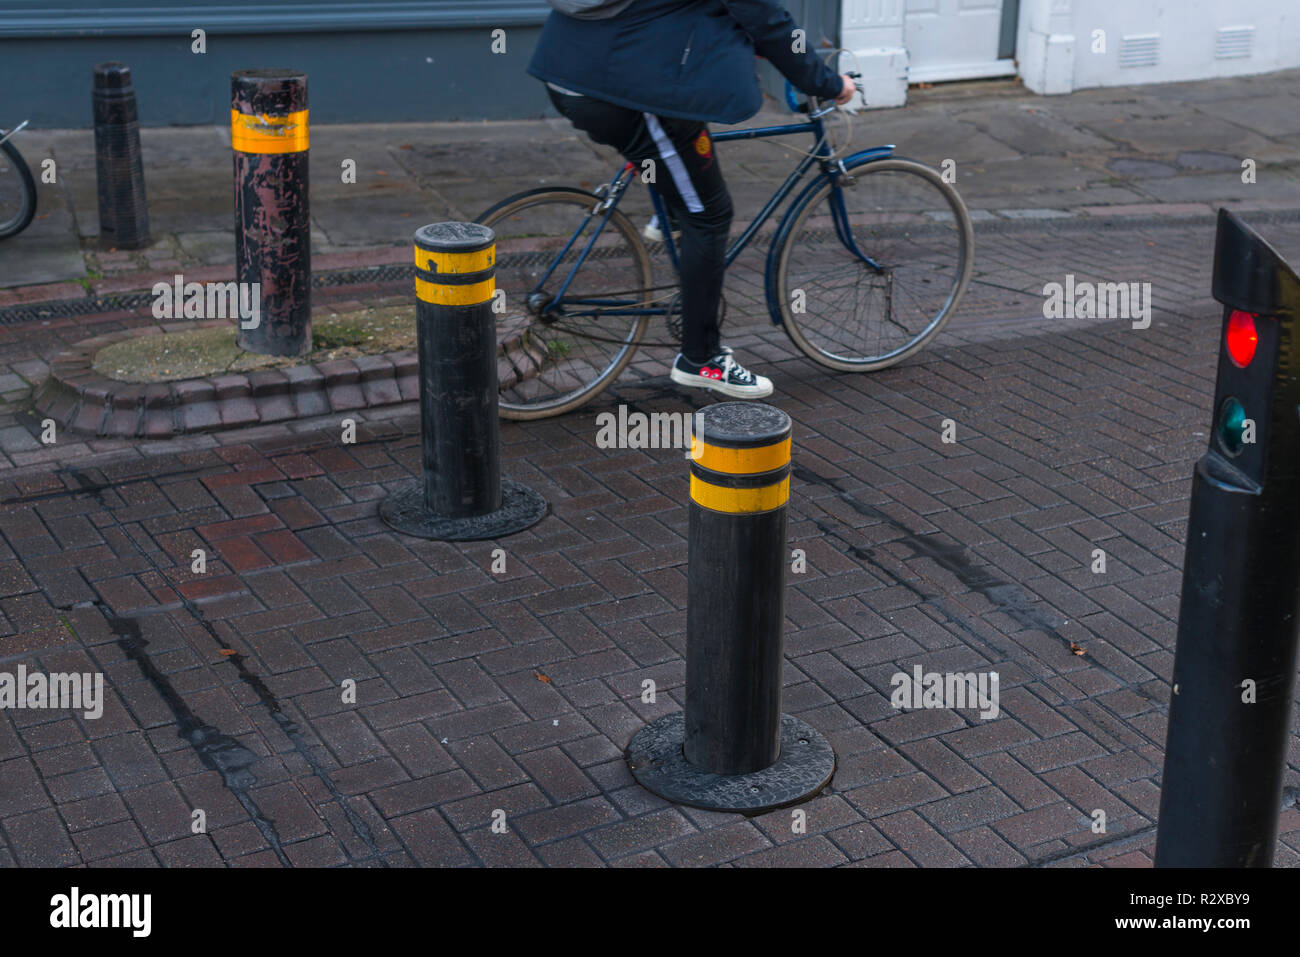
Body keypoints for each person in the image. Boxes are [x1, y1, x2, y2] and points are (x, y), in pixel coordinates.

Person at [528, 0, 856, 399]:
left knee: (682, 158)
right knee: (711, 215)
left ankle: (669, 214)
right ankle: (701, 359)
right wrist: (829, 83)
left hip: (574, 69)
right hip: (621, 91)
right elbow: (768, 20)